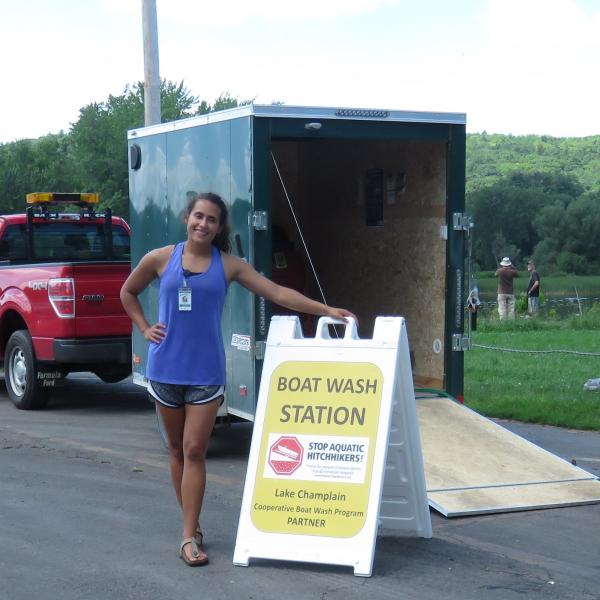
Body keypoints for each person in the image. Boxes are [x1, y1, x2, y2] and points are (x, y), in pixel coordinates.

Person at [120, 192, 356, 567]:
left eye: (211, 220)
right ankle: (192, 526)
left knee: (195, 449)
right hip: (164, 369)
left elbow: (277, 292)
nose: (203, 224)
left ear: (219, 227)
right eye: (198, 216)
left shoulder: (228, 265)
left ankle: (186, 537)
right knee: (177, 451)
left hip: (206, 372)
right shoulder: (161, 258)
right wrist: (145, 328)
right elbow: (128, 291)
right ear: (187, 218)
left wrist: (325, 309)